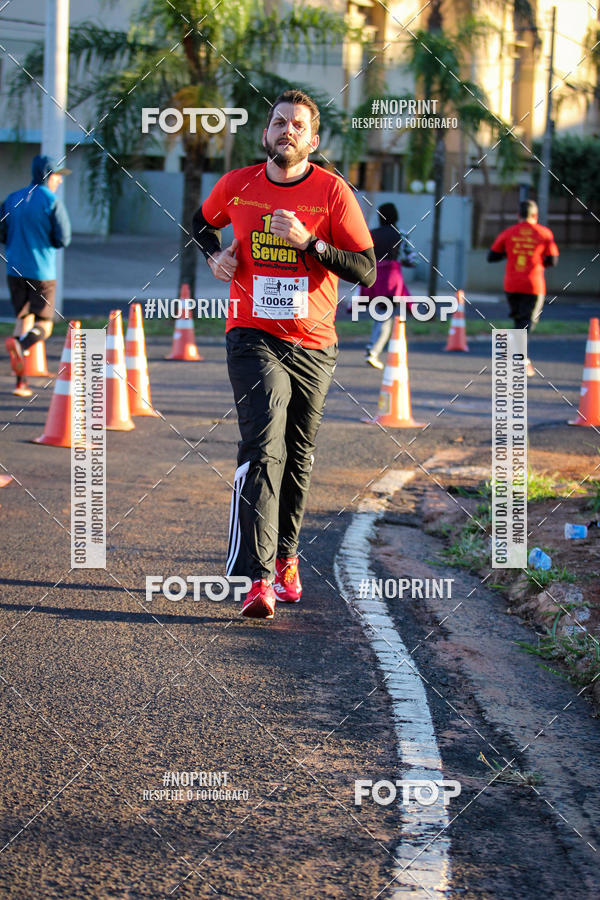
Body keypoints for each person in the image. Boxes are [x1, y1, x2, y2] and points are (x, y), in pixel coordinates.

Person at [193, 89, 376, 619]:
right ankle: (257, 578)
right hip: (251, 333)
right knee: (263, 446)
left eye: (298, 125)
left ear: (312, 141)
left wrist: (310, 243)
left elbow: (366, 269)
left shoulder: (332, 192)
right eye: (279, 122)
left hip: (314, 343)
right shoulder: (238, 184)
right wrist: (215, 256)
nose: (287, 130)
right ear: (266, 134)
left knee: (297, 456)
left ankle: (287, 559)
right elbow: (201, 223)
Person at [1, 154, 71, 397]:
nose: (60, 181)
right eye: (58, 176)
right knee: (45, 326)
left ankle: (21, 383)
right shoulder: (51, 201)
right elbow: (63, 238)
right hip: (41, 272)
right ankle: (21, 345)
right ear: (49, 175)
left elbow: (2, 232)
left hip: (14, 269)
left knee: (23, 320)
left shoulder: (12, 198)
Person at [487, 199, 558, 376]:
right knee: (527, 323)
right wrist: (539, 262)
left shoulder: (508, 232)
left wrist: (510, 252)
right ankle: (521, 360)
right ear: (535, 215)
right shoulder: (544, 233)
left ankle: (515, 348)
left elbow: (492, 256)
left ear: (518, 215)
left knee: (519, 321)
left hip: (511, 284)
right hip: (533, 285)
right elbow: (553, 260)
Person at [363, 203, 417, 369]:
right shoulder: (401, 234)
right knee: (385, 316)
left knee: (379, 313)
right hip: (391, 280)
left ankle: (372, 347)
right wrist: (401, 262)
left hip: (373, 278)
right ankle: (373, 351)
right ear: (396, 217)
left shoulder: (370, 234)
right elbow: (413, 260)